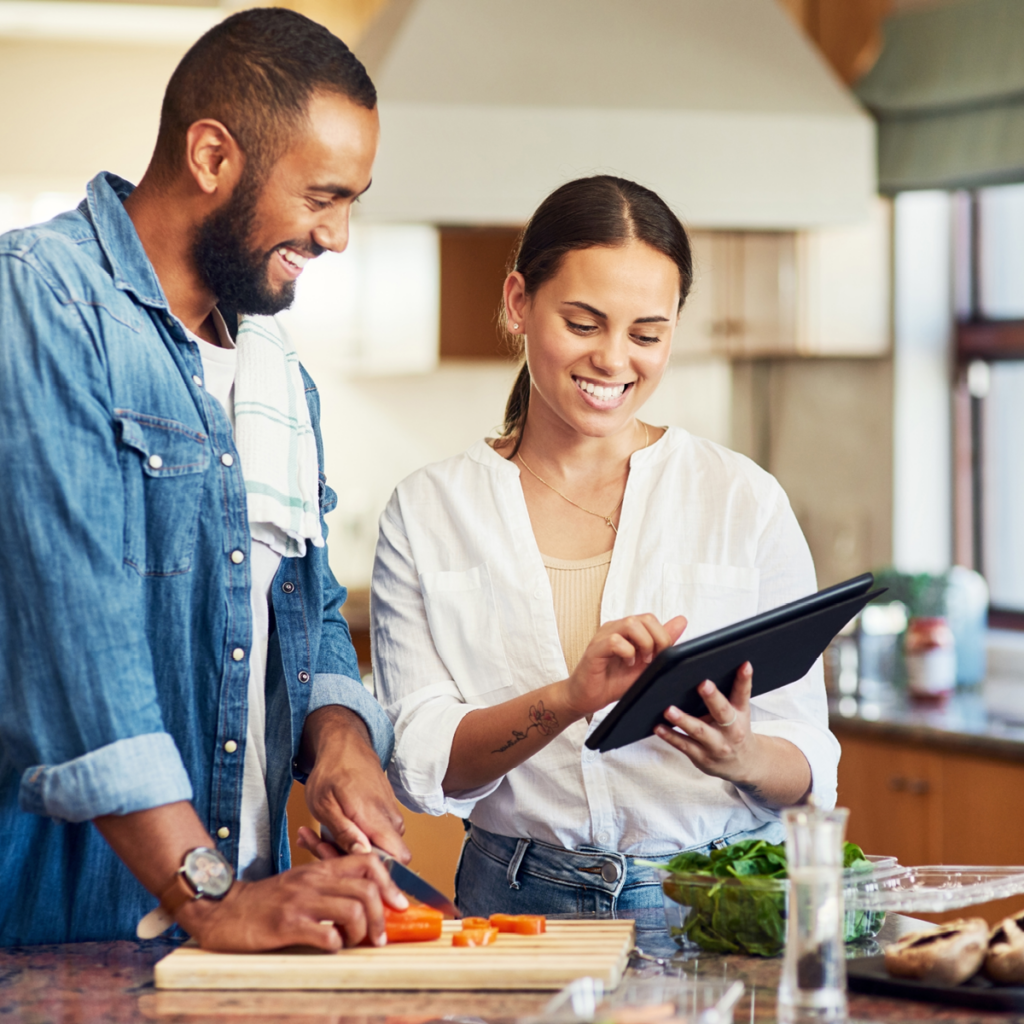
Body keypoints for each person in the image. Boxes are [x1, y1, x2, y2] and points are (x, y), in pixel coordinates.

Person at [0, 8, 413, 950]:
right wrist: (208, 896)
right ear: (213, 157)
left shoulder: (276, 371)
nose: (339, 235)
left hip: (247, 918)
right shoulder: (42, 300)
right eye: (322, 196)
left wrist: (340, 739)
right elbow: (76, 635)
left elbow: (302, 609)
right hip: (74, 928)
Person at [368, 175, 841, 917]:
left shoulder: (741, 498)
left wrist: (742, 756)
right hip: (517, 899)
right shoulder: (429, 510)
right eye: (584, 324)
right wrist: (567, 700)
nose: (615, 360)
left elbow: (807, 756)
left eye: (647, 334)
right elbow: (425, 763)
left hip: (713, 901)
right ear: (519, 302)